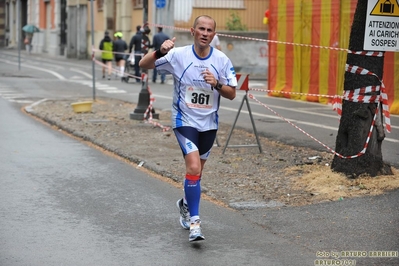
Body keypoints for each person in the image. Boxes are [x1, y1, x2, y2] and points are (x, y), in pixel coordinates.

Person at [139, 15, 237, 242]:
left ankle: (184, 203)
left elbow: (231, 94)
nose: (205, 33)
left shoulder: (221, 60)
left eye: (209, 30)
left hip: (209, 124)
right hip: (184, 121)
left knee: (197, 173)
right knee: (193, 167)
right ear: (192, 31)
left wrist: (217, 84)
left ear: (214, 34)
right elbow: (143, 65)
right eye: (201, 29)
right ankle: (195, 224)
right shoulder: (178, 55)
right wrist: (159, 52)